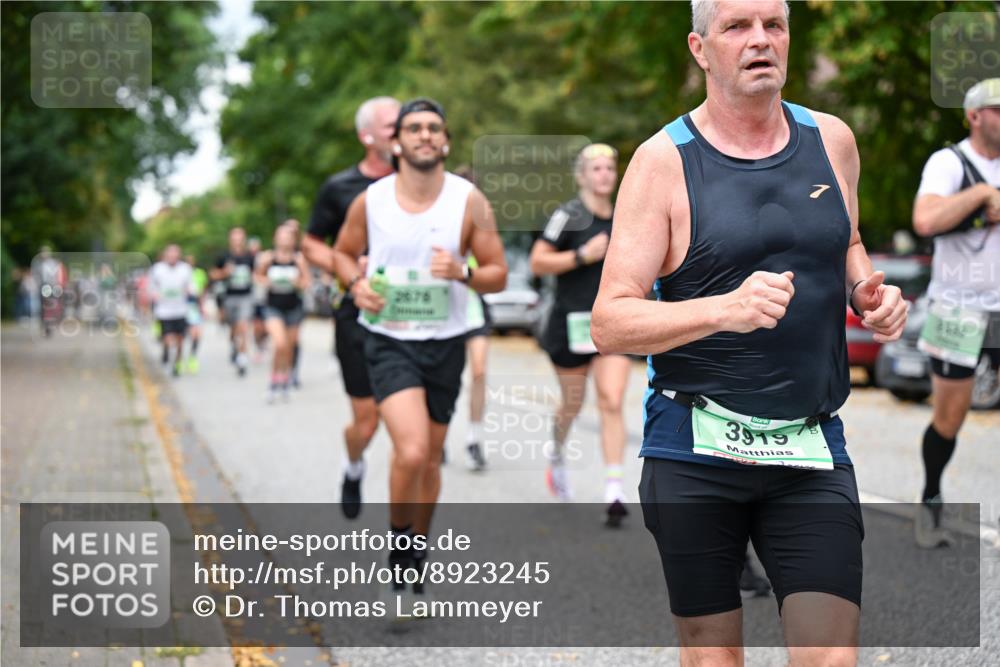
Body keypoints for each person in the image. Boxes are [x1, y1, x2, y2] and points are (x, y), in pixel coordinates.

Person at [591, 1, 908, 663]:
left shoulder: (832, 140)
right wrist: (723, 310)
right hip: (695, 448)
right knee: (713, 656)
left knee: (831, 655)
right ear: (700, 48)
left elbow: (845, 238)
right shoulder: (663, 163)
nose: (760, 40)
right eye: (737, 27)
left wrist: (866, 290)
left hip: (807, 446)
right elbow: (611, 321)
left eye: (775, 25)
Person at [332, 98, 507, 607]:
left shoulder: (469, 200)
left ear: (445, 141)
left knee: (430, 460)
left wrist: (464, 274)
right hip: (388, 339)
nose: (425, 135)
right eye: (414, 128)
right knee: (409, 450)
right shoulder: (372, 200)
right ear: (396, 142)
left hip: (445, 341)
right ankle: (397, 543)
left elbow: (498, 273)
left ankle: (415, 553)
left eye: (434, 128)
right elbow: (343, 253)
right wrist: (356, 284)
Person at [911, 78, 1000, 548]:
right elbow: (925, 220)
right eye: (999, 110)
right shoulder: (950, 163)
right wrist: (982, 197)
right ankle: (929, 501)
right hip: (957, 308)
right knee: (950, 417)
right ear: (975, 116)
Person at [302, 96, 400, 519]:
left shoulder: (423, 184)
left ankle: (407, 537)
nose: (402, 132)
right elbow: (311, 243)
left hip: (411, 316)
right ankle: (354, 464)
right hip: (356, 313)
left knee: (406, 424)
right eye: (392, 126)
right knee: (367, 421)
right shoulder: (339, 188)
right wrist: (346, 265)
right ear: (367, 136)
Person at [529, 143, 632, 526]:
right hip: (570, 325)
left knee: (611, 399)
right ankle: (556, 454)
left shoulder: (626, 215)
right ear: (582, 176)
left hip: (613, 323)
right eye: (597, 168)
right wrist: (582, 256)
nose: (605, 174)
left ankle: (614, 489)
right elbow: (538, 262)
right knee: (573, 402)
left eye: (610, 167)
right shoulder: (567, 215)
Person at [256, 224, 311, 403]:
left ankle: (284, 379)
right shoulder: (268, 257)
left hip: (293, 307)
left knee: (289, 346)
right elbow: (257, 276)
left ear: (293, 239)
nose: (285, 239)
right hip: (274, 306)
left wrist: (297, 283)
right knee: (279, 343)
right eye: (281, 235)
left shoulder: (298, 259)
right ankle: (273, 382)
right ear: (275, 238)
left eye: (288, 236)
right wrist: (268, 281)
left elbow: (306, 282)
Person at [211, 228, 255, 377]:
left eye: (240, 238)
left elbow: (257, 273)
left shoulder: (249, 256)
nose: (237, 241)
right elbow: (213, 274)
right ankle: (233, 346)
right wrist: (224, 272)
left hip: (245, 297)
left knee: (243, 327)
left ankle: (242, 359)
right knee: (233, 328)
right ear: (230, 240)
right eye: (234, 238)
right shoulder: (224, 256)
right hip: (229, 297)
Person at [148, 245, 192, 378]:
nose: (173, 256)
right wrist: (154, 295)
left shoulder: (185, 269)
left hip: (180, 310)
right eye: (170, 254)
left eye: (175, 254)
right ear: (165, 255)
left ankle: (176, 363)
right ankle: (167, 352)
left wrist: (190, 291)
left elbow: (191, 285)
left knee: (179, 340)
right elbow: (151, 286)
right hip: (164, 310)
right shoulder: (157, 269)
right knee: (168, 337)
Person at [185, 255, 208, 374]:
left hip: (194, 306)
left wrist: (202, 306)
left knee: (196, 334)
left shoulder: (199, 273)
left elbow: (203, 290)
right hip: (181, 307)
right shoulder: (181, 273)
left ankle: (192, 357)